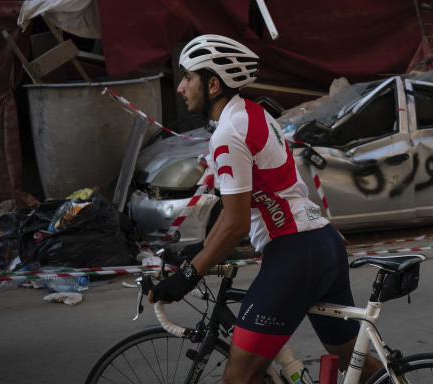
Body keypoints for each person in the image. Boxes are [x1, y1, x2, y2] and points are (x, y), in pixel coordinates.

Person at [149, 34, 381, 383]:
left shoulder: (229, 133)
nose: (181, 88)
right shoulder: (253, 113)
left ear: (213, 84)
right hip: (321, 244)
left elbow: (237, 223)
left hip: (295, 254)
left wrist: (188, 276)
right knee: (357, 368)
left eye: (187, 77)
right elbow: (256, 201)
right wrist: (198, 251)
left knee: (239, 376)